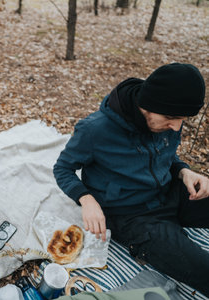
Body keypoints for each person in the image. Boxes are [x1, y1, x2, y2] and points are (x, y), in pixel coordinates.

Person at [53, 63, 209, 296]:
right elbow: (63, 168)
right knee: (202, 269)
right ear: (148, 105)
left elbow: (165, 155)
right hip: (133, 216)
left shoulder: (165, 118)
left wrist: (183, 171)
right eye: (171, 118)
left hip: (169, 192)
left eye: (182, 119)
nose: (176, 126)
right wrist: (86, 199)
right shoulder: (96, 130)